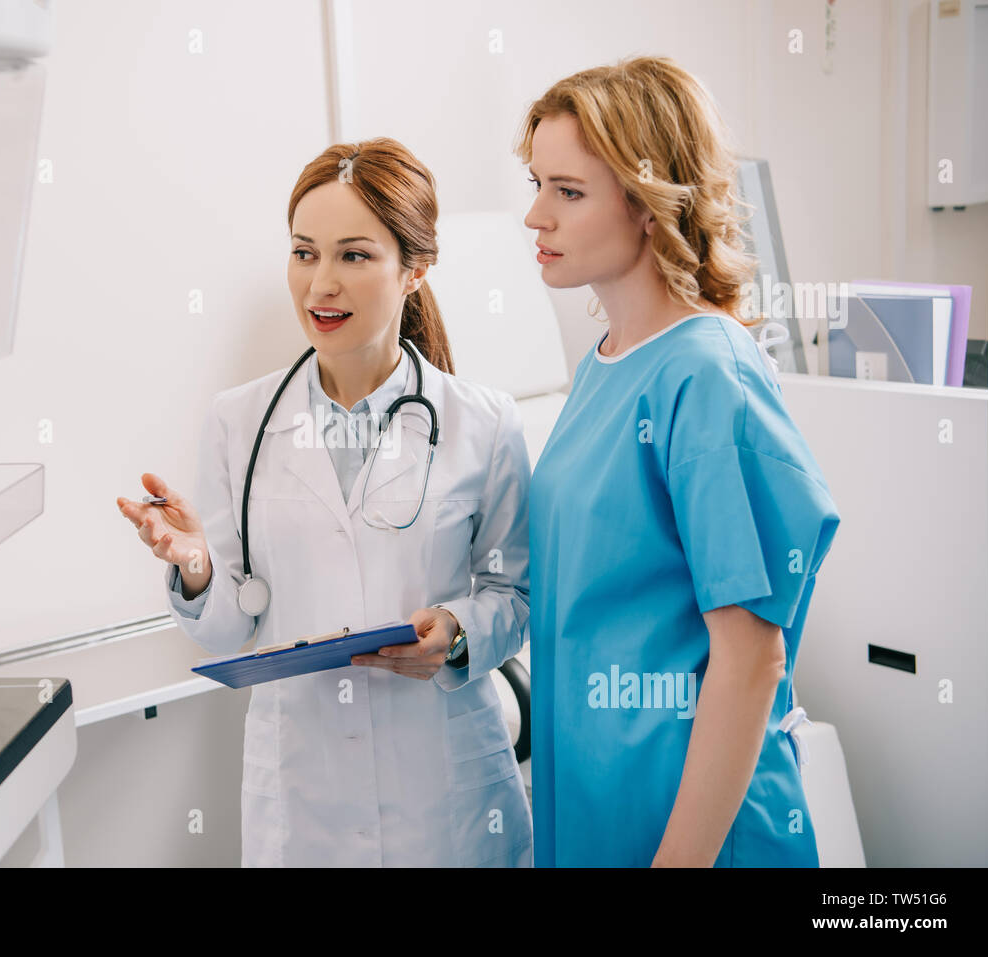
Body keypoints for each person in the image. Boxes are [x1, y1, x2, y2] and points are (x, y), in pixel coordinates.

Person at [117, 138, 532, 867]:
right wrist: (197, 568)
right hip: (303, 798)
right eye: (304, 253)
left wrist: (458, 631)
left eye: (353, 255)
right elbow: (226, 629)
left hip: (444, 795)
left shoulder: (484, 421)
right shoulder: (237, 421)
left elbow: (518, 594)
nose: (320, 285)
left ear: (415, 269)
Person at [520, 56, 840, 867]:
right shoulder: (604, 363)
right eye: (536, 183)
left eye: (568, 191)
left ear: (650, 201)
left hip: (694, 835)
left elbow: (751, 654)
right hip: (599, 811)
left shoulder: (704, 372)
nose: (534, 217)